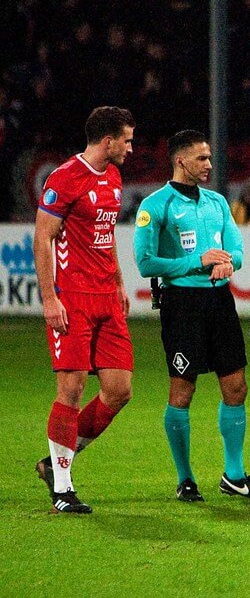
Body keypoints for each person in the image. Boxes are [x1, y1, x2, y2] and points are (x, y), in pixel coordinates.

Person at [133, 130, 250, 502]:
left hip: (219, 302)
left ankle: (234, 475)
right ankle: (185, 479)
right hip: (181, 304)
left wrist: (228, 263)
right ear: (181, 161)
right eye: (201, 158)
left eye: (209, 157)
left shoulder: (217, 203)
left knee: (236, 386)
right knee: (183, 390)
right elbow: (145, 262)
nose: (209, 165)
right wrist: (197, 261)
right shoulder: (156, 206)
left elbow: (238, 250)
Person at [33, 106, 136, 514]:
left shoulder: (113, 175)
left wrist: (119, 282)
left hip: (106, 299)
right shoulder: (64, 178)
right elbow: (43, 238)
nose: (131, 147)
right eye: (127, 140)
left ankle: (53, 462)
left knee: (118, 391)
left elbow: (105, 233)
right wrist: (49, 299)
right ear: (107, 141)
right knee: (71, 390)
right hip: (71, 297)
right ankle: (62, 487)